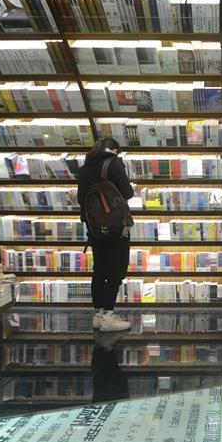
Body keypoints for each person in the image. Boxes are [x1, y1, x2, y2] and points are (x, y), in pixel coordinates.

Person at [77, 138, 134, 332]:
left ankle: (99, 314)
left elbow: (80, 199)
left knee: (100, 269)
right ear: (115, 150)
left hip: (94, 228)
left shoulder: (85, 168)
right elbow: (127, 192)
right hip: (116, 227)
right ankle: (109, 315)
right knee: (117, 270)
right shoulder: (114, 163)